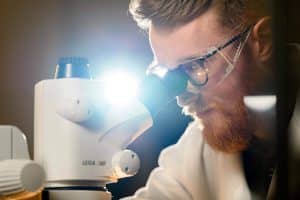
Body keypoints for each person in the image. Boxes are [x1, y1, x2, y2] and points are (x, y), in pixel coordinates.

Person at [122, 0, 276, 199]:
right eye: (170, 74)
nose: (182, 100)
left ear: (264, 42)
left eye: (195, 65)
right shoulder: (200, 150)